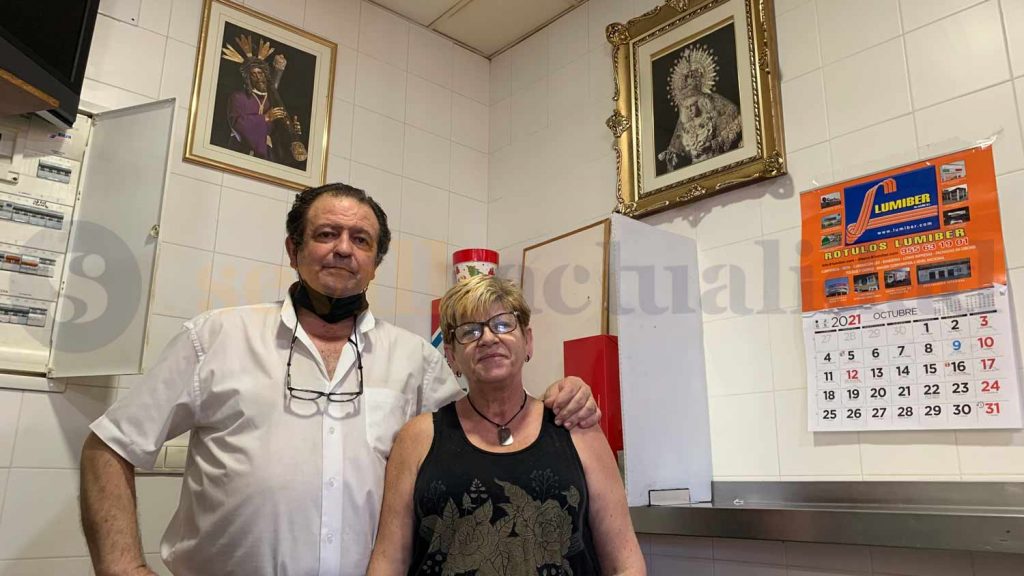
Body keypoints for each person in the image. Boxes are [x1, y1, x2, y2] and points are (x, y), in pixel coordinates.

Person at [79, 183, 600, 576]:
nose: (344, 249)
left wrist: (561, 398)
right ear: (293, 249)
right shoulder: (215, 337)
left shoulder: (414, 360)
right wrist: (124, 567)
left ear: (375, 263)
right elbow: (110, 445)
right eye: (326, 234)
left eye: (361, 240)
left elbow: (488, 428)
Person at [367, 276, 645, 575]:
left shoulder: (576, 427)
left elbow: (625, 563)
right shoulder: (417, 439)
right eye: (470, 331)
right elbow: (388, 562)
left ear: (528, 341)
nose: (488, 338)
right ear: (451, 357)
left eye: (502, 324)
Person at [221, 34, 307, 166]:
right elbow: (237, 124)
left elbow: (276, 132)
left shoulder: (271, 98)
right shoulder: (238, 97)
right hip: (241, 151)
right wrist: (265, 118)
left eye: (260, 73)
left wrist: (291, 130)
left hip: (267, 155)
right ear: (248, 78)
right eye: (253, 74)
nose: (258, 77)